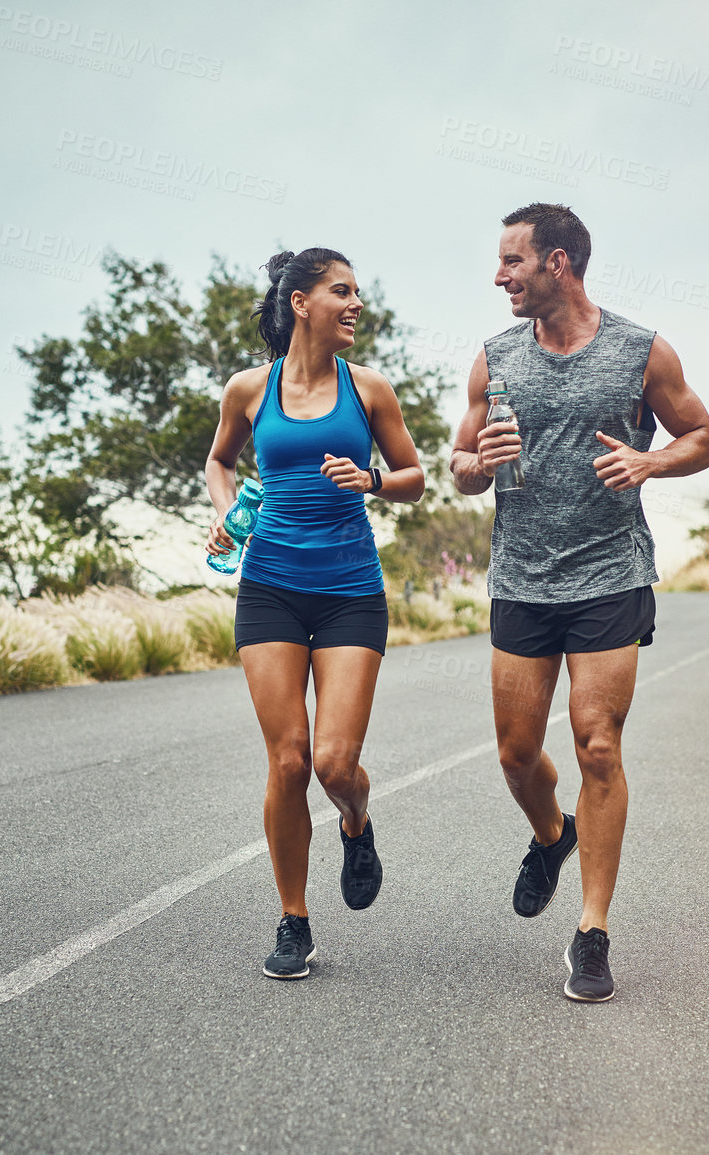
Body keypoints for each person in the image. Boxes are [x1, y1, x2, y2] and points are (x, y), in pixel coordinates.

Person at [450, 204, 709, 1002]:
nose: (499, 276)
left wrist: (648, 462)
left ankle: (592, 932)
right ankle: (550, 833)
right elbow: (459, 464)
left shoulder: (640, 350)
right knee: (514, 752)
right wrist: (476, 463)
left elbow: (700, 436)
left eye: (512, 262)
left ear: (558, 263)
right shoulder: (494, 359)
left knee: (597, 743)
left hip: (609, 572)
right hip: (522, 577)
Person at [205, 248, 426, 979]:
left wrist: (368, 478)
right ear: (301, 302)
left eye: (358, 291)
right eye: (342, 291)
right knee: (288, 758)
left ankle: (356, 821)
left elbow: (414, 479)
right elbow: (219, 461)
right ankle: (293, 919)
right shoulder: (247, 388)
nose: (357, 303)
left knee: (333, 761)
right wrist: (226, 514)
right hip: (268, 584)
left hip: (349, 591)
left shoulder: (369, 391)